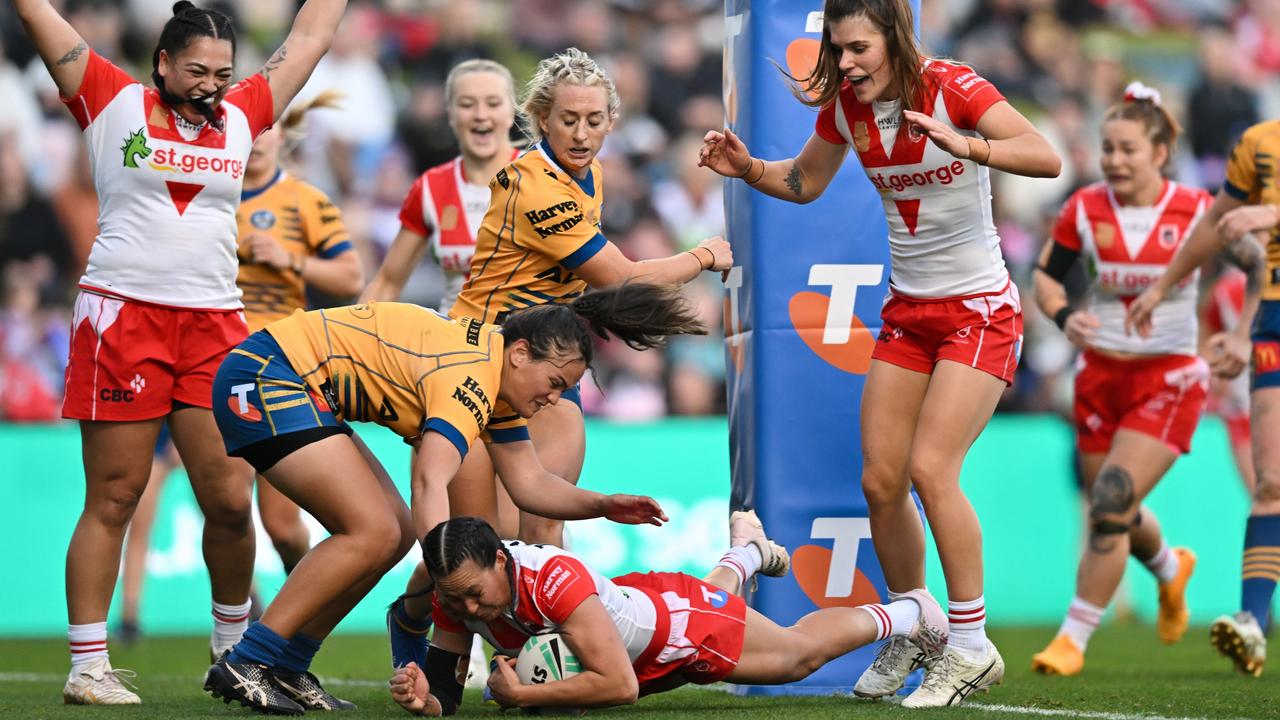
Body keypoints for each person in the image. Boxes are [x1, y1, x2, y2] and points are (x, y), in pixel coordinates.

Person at [697, 0, 1059, 706]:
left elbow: (1044, 156)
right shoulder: (847, 107)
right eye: (837, 48)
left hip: (980, 313)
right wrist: (748, 168)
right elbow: (804, 182)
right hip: (908, 313)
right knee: (880, 481)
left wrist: (971, 147)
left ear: (895, 37)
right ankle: (916, 625)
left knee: (931, 468)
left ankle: (972, 644)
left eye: (858, 48)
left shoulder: (954, 86)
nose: (846, 62)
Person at [12, 0, 349, 705]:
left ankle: (233, 654)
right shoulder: (108, 97)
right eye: (195, 69)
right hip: (122, 318)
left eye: (222, 72)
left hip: (215, 326)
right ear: (161, 62)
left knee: (230, 502)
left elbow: (312, 33)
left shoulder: (245, 113)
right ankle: (89, 667)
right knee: (115, 496)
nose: (209, 83)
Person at [380, 47, 745, 673]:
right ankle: (415, 621)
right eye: (568, 119)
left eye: (595, 119)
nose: (581, 133)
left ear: (611, 120)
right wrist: (705, 256)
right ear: (542, 120)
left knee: (542, 527)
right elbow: (622, 276)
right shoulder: (533, 186)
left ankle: (546, 666)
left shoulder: (591, 177)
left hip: (542, 368)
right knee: (476, 534)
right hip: (475, 365)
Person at [203, 283, 695, 714]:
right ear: (521, 353)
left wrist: (602, 505)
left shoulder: (498, 382)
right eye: (555, 383)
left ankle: (289, 664)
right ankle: (248, 660)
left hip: (286, 378)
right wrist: (448, 570)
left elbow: (529, 484)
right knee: (374, 531)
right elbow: (429, 481)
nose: (554, 398)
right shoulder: (473, 378)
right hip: (269, 376)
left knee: (389, 533)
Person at [387, 516, 948, 716]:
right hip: (637, 617)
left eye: (472, 593)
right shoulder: (455, 595)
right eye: (451, 597)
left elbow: (619, 685)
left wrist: (524, 698)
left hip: (679, 632)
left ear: (501, 561)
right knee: (718, 599)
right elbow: (448, 697)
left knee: (796, 657)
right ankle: (747, 552)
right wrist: (423, 699)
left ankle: (908, 613)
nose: (464, 608)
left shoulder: (555, 581)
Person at [1028, 84, 1206, 677]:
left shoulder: (1196, 210)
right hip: (1099, 375)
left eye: (1128, 148)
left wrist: (1239, 334)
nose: (1114, 160)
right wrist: (1062, 315)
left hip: (1170, 375)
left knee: (1110, 502)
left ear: (1160, 153)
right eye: (1107, 148)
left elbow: (1256, 266)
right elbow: (1045, 279)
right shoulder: (1084, 208)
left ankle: (1073, 638)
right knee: (1116, 507)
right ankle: (1168, 568)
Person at [1127, 117, 1278, 678]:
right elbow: (1216, 225)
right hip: (1273, 325)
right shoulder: (1258, 143)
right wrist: (1164, 288)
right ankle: (1253, 624)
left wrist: (1274, 212)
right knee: (1270, 483)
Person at [237, 89, 364, 575]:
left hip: (277, 367)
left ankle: (299, 595)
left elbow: (350, 277)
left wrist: (288, 258)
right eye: (250, 131)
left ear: (285, 134)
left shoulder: (305, 200)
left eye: (268, 129)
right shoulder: (208, 199)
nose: (259, 141)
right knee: (226, 510)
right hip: (211, 363)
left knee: (283, 526)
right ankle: (237, 622)